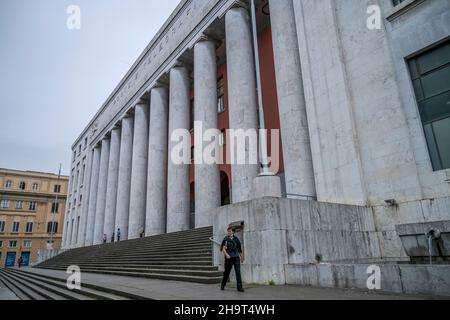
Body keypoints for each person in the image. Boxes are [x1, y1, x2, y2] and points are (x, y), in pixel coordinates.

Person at [220, 227, 244, 292]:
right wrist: (226, 254)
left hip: (236, 257)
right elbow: (223, 249)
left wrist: (242, 257)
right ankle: (223, 284)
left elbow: (239, 249)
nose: (228, 232)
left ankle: (240, 287)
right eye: (228, 231)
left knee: (238, 272)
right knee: (226, 273)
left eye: (229, 231)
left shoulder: (236, 239)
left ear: (233, 232)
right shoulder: (226, 239)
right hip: (229, 258)